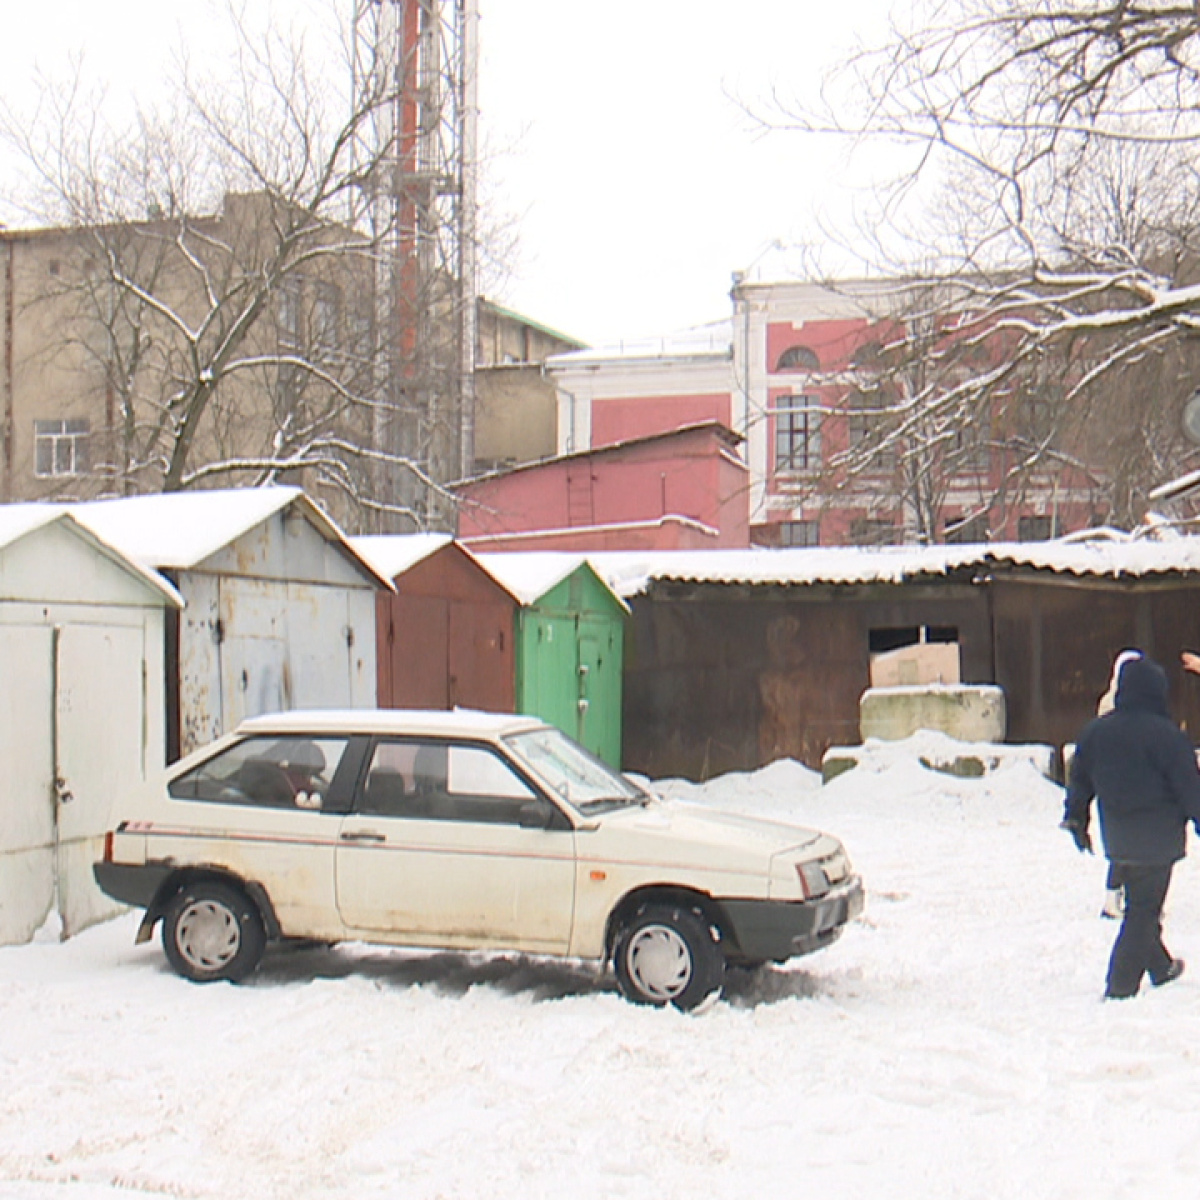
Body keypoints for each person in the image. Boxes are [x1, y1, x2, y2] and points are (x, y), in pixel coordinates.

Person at [1062, 655, 1200, 998]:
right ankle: (1119, 986)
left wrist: (1077, 817)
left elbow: (1079, 779)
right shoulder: (1168, 736)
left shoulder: (1096, 732)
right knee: (1143, 912)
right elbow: (1189, 788)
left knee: (1140, 903)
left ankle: (1161, 967)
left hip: (1118, 837)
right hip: (1158, 840)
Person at [1096, 650, 1142, 919]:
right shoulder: (1111, 703)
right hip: (1121, 783)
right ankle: (1112, 898)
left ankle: (1122, 896)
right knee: (1124, 846)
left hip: (1122, 783)